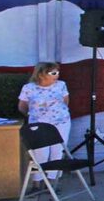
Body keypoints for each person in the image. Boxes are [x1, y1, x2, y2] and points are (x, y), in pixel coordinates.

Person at [17, 62, 71, 190]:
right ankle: (37, 182)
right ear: (41, 74)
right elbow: (22, 106)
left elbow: (66, 102)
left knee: (57, 151)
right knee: (40, 152)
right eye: (53, 73)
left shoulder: (61, 85)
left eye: (57, 72)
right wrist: (35, 116)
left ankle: (53, 182)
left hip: (60, 122)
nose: (56, 75)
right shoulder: (29, 88)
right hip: (38, 125)